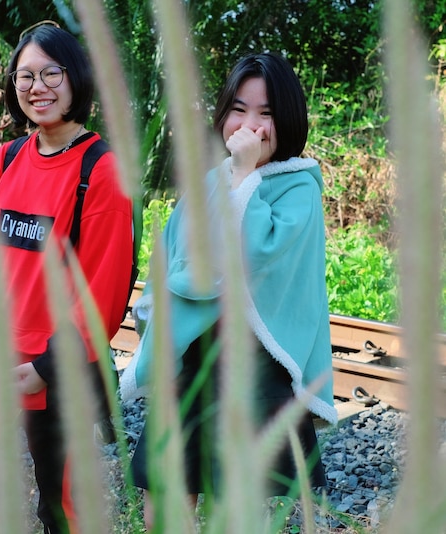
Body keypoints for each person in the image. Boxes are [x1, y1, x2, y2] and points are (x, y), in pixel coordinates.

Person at [120, 52, 337, 529]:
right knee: (168, 485)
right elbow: (172, 255)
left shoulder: (299, 188)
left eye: (266, 112)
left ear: (289, 119)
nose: (251, 125)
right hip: (193, 359)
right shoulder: (209, 183)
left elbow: (254, 254)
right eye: (239, 109)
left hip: (256, 366)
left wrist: (244, 175)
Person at [0, 22, 134, 534]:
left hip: (57, 374)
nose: (38, 88)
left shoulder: (100, 170)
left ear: (75, 78)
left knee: (63, 512)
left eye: (51, 73)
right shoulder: (6, 159)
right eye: (25, 77)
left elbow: (105, 289)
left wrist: (48, 367)